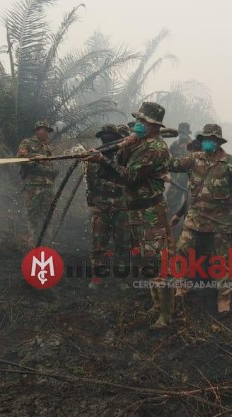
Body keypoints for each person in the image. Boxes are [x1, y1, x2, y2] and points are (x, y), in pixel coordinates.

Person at [82, 102, 175, 329]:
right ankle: (156, 307)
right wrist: (124, 145)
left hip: (150, 212)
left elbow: (128, 177)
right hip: (137, 210)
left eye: (143, 122)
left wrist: (102, 160)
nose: (138, 125)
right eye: (138, 122)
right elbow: (121, 163)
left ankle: (167, 315)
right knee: (147, 262)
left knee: (157, 262)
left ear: (153, 126)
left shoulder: (154, 148)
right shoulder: (140, 143)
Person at [168, 123, 232, 318]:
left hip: (220, 222)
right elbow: (173, 165)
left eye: (210, 140)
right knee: (182, 250)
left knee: (222, 261)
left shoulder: (230, 163)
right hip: (195, 219)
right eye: (204, 140)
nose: (207, 143)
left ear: (218, 142)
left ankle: (223, 298)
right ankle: (181, 288)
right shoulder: (194, 159)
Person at [85, 124, 130, 290]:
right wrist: (114, 186)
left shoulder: (123, 155)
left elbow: (126, 175)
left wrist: (119, 185)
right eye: (104, 135)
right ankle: (98, 277)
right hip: (101, 206)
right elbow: (93, 183)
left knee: (123, 244)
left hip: (121, 206)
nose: (106, 137)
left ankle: (122, 279)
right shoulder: (95, 157)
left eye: (110, 134)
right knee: (99, 243)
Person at [17, 121, 57, 244]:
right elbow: (21, 158)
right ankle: (33, 239)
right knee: (33, 212)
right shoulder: (27, 143)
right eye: (43, 130)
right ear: (36, 131)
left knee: (48, 213)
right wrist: (36, 161)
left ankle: (47, 239)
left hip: (47, 185)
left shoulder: (47, 147)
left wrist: (51, 173)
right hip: (34, 185)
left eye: (48, 131)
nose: (46, 133)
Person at [166, 122, 193, 218]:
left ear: (187, 133)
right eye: (180, 131)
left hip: (186, 176)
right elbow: (170, 155)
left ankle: (180, 219)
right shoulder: (175, 144)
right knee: (172, 197)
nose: (181, 134)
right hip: (174, 175)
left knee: (185, 198)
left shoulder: (191, 144)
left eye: (183, 132)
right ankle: (172, 218)